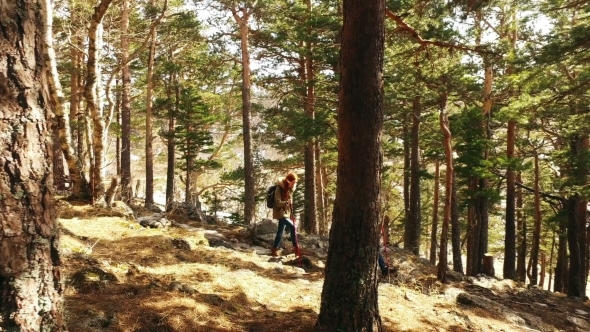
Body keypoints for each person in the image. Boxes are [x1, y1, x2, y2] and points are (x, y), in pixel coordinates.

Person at [271, 172, 299, 257]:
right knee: (293, 226)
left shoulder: (290, 189)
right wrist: (287, 202)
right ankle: (296, 249)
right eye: (293, 182)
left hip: (286, 213)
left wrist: (290, 211)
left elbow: (290, 202)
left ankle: (274, 250)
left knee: (280, 232)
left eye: (295, 183)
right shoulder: (279, 188)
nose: (294, 184)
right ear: (288, 181)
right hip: (280, 213)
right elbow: (278, 203)